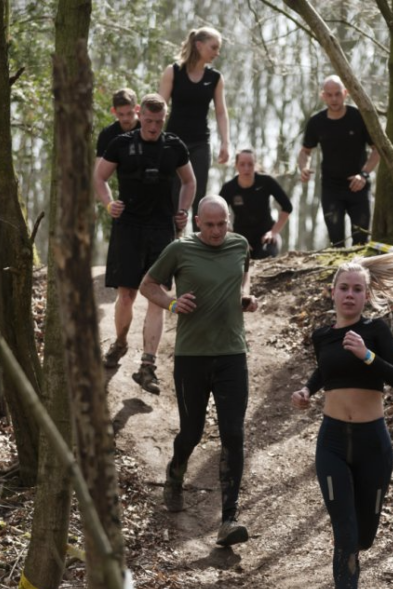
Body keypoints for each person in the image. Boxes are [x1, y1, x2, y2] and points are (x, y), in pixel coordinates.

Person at [290, 253, 393, 589]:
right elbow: (324, 371)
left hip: (373, 444)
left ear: (367, 296)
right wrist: (307, 390)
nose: (349, 295)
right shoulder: (322, 335)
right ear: (331, 293)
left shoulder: (376, 330)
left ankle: (354, 562)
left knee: (364, 534)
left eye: (357, 289)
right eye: (343, 288)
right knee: (345, 533)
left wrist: (366, 354)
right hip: (332, 440)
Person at [139, 196, 258, 547]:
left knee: (233, 435)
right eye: (210, 225)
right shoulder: (180, 249)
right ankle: (175, 475)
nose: (217, 231)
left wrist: (245, 296)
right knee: (191, 432)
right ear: (196, 222)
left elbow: (246, 270)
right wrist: (173, 303)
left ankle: (229, 518)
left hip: (232, 355)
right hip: (192, 356)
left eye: (222, 224)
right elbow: (148, 284)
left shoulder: (239, 244)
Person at [93, 94, 195, 394]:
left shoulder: (174, 145)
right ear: (141, 116)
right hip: (129, 228)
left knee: (158, 296)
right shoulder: (121, 143)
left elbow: (189, 181)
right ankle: (121, 342)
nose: (152, 127)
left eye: (158, 122)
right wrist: (109, 204)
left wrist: (183, 210)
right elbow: (99, 177)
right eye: (148, 121)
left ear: (165, 118)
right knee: (126, 296)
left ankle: (148, 365)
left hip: (161, 227)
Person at [297, 75, 380, 248]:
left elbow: (377, 150)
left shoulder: (358, 117)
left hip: (358, 186)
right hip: (331, 188)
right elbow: (305, 151)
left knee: (360, 240)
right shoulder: (316, 122)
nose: (334, 99)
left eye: (337, 94)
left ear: (345, 93)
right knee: (337, 241)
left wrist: (363, 175)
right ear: (323, 96)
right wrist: (303, 167)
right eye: (329, 95)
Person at [158, 26, 231, 217]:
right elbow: (160, 107)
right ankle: (172, 242)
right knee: (172, 194)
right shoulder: (173, 72)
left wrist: (225, 142)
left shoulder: (215, 78)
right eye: (213, 47)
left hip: (200, 144)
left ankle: (199, 243)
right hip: (172, 143)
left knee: (198, 196)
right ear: (199, 45)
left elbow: (221, 112)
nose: (217, 52)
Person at [219, 148, 294, 260]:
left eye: (250, 164)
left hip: (266, 238)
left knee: (266, 255)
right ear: (236, 165)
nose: (246, 168)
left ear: (255, 165)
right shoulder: (229, 188)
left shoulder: (266, 182)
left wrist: (273, 232)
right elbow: (218, 215)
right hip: (240, 238)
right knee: (236, 259)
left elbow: (287, 207)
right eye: (242, 164)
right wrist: (234, 237)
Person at [95, 87, 139, 161]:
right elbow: (99, 168)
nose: (125, 118)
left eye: (129, 113)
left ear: (137, 109)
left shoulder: (147, 129)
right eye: (121, 114)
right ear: (113, 111)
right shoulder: (107, 134)